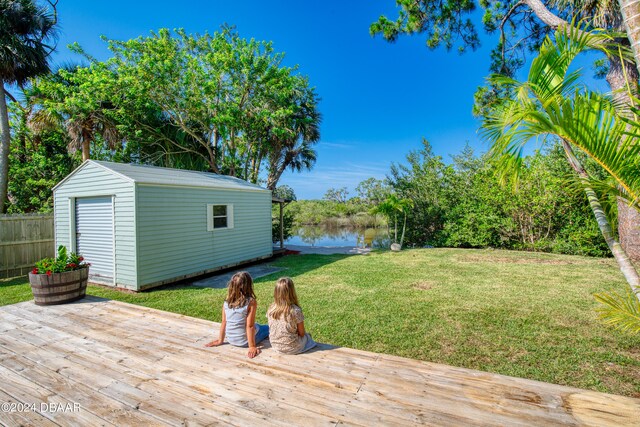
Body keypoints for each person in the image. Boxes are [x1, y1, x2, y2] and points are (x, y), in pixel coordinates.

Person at [204, 271, 269, 358]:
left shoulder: (227, 301)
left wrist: (220, 340)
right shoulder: (251, 302)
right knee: (268, 328)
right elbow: (249, 326)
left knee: (257, 325)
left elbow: (224, 322)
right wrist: (252, 346)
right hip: (244, 342)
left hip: (231, 339)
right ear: (248, 286)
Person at [267, 277, 317, 354]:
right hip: (292, 348)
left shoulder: (271, 308)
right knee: (308, 337)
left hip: (275, 345)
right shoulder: (295, 311)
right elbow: (302, 333)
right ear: (292, 292)